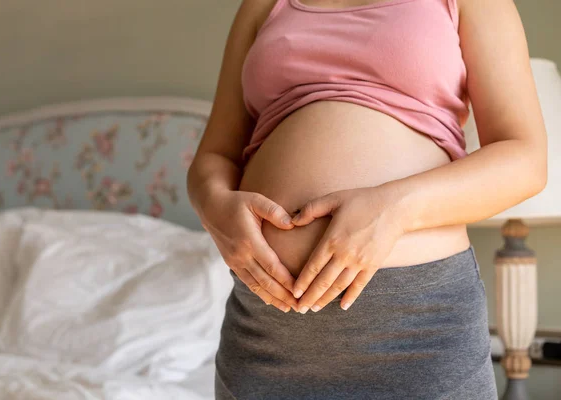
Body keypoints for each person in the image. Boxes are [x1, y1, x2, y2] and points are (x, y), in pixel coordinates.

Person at [186, 0, 548, 398]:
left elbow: (525, 159)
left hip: (419, 335)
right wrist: (215, 207)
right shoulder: (263, 5)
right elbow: (215, 155)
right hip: (267, 338)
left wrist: (393, 209)